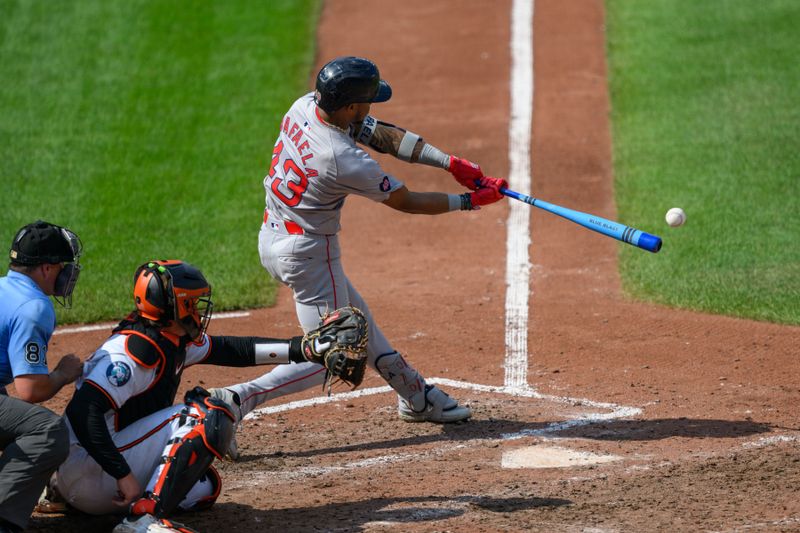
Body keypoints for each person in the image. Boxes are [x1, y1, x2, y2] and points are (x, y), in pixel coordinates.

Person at [212, 56, 507, 430]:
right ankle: (234, 400)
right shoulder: (339, 158)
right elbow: (407, 201)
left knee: (356, 319)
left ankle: (415, 395)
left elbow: (382, 135)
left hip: (273, 236)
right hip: (309, 256)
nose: (371, 106)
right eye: (367, 101)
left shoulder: (305, 106)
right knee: (331, 352)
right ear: (350, 105)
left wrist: (451, 164)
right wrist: (468, 201)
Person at [50, 259, 365, 533]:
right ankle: (143, 518)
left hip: (91, 475)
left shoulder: (169, 337)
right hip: (89, 469)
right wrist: (124, 476)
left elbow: (232, 349)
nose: (201, 310)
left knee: (201, 485)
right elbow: (82, 413)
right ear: (178, 306)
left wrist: (304, 348)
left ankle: (89, 504)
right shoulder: (133, 354)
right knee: (208, 413)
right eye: (195, 303)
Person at [0, 220, 84, 533]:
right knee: (47, 432)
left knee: (12, 422)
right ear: (46, 269)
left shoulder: (2, 287)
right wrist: (62, 373)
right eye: (62, 265)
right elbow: (30, 390)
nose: (66, 273)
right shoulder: (33, 306)